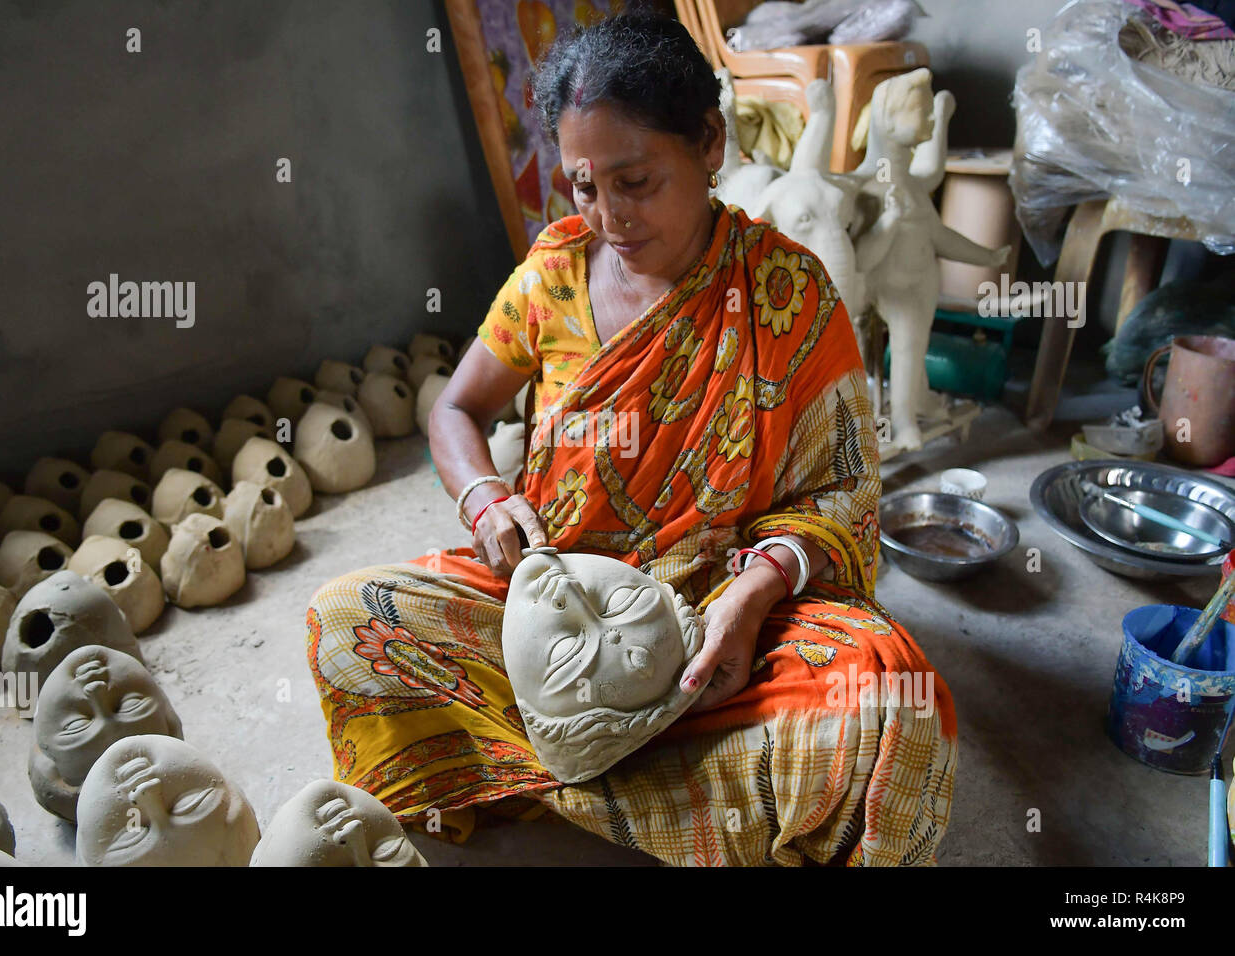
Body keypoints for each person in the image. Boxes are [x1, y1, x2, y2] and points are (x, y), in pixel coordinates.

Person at [306, 13, 956, 866]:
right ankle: (640, 783)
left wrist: (753, 598)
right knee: (348, 623)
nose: (609, 215)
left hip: (722, 632)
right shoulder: (554, 273)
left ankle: (588, 780)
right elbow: (455, 411)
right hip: (562, 598)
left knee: (892, 704)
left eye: (637, 180)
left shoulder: (786, 294)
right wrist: (486, 498)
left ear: (708, 142)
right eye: (583, 186)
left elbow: (843, 492)